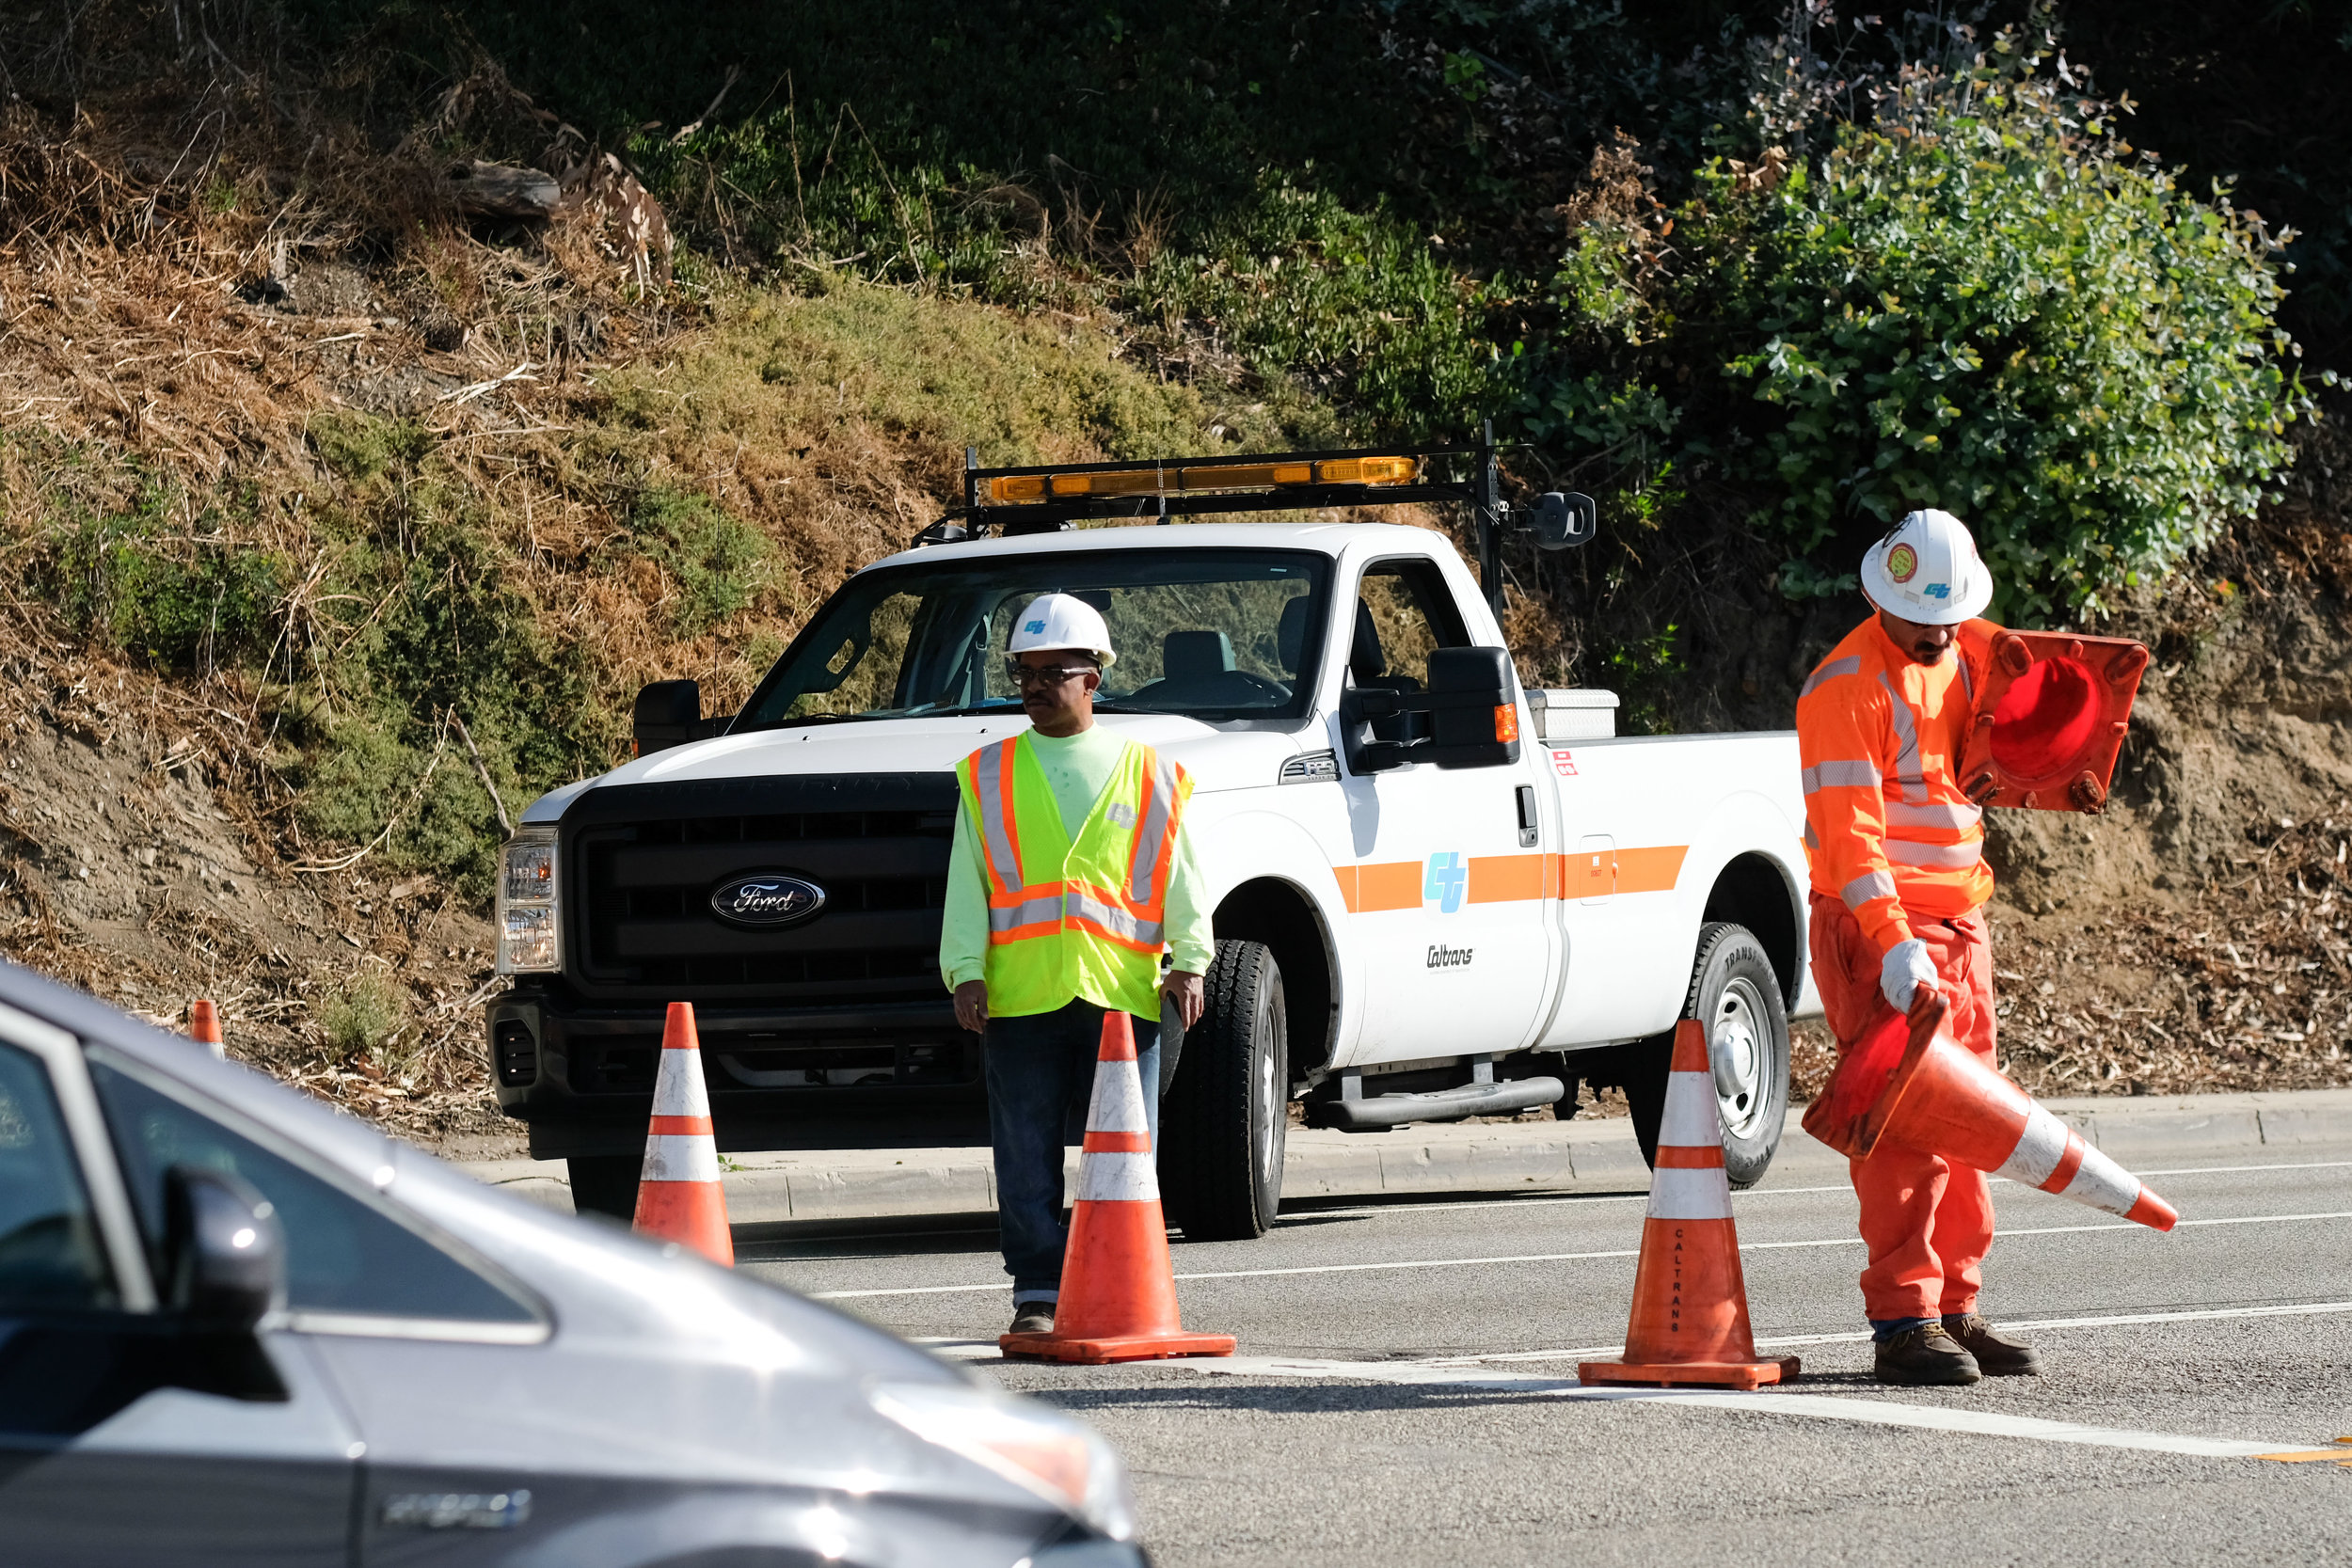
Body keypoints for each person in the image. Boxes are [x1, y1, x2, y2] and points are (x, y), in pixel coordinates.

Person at [1795, 508, 2042, 1386]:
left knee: (1976, 1125)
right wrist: (1894, 941)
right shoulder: (1846, 689)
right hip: (1879, 934)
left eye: (1951, 614)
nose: (1939, 630)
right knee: (1904, 1132)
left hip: (1959, 928)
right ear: (1878, 597)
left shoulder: (1967, 652)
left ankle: (1955, 1307)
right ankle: (1904, 1320)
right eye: (1921, 617)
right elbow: (1851, 838)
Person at [941, 593, 1215, 1338]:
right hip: (1020, 998)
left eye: (1049, 670)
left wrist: (1190, 960)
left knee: (1125, 1154)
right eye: (1022, 671)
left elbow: (1179, 873)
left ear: (1093, 677)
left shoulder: (1148, 773)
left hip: (1122, 996)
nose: (1032, 684)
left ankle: (1118, 1282)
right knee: (1024, 1152)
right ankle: (1037, 1290)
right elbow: (967, 882)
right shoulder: (987, 774)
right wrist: (965, 969)